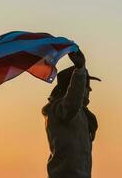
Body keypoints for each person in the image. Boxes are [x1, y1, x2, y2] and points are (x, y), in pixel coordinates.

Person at [42, 49, 101, 178]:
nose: (89, 89)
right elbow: (73, 101)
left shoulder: (81, 115)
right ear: (71, 87)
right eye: (86, 85)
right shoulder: (61, 109)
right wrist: (80, 70)